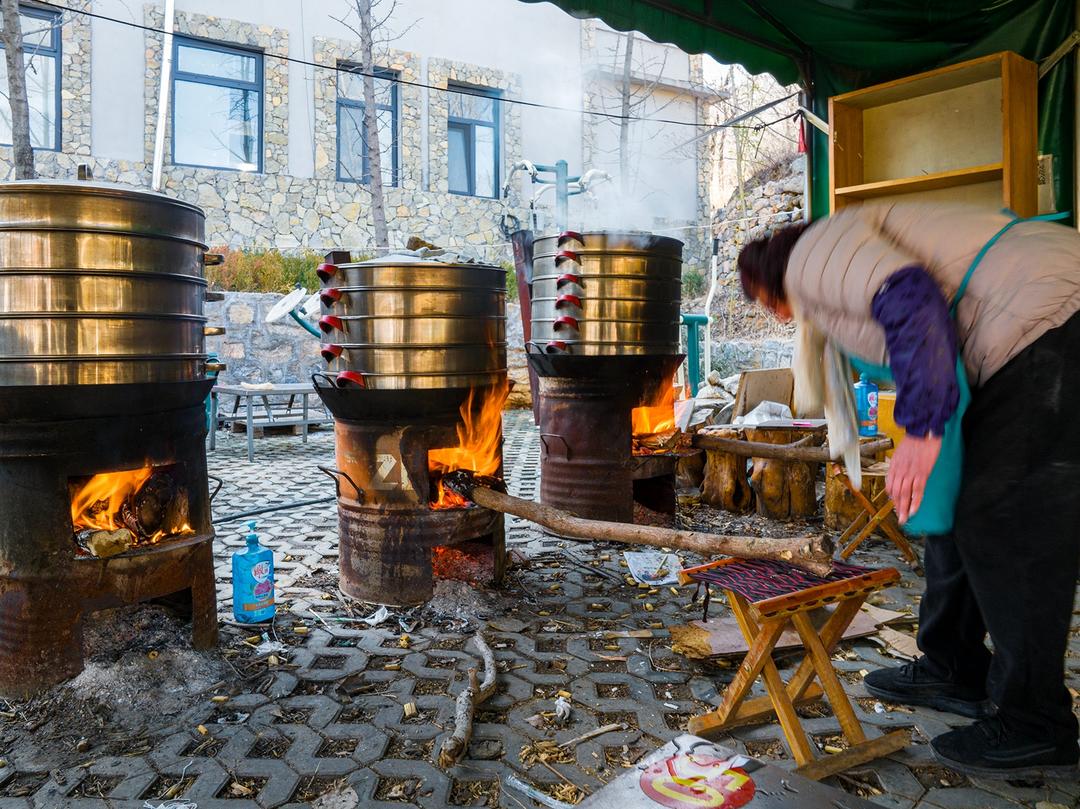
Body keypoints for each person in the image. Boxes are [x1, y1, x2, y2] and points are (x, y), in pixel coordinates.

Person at [736, 203, 1080, 779]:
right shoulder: (832, 265)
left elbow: (910, 296)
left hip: (1047, 320)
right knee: (960, 509)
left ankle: (1036, 723)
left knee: (1007, 524)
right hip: (1026, 328)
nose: (777, 316)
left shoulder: (813, 256)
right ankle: (953, 667)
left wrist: (922, 430)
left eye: (765, 305)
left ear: (767, 284)